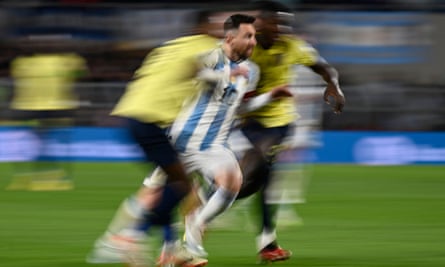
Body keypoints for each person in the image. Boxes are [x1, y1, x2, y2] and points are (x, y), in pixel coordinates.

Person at [86, 10, 222, 267]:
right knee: (180, 186)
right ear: (204, 26)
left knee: (173, 187)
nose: (223, 32)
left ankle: (169, 251)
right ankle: (126, 237)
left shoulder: (169, 46)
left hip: (134, 116)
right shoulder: (208, 47)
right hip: (154, 120)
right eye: (218, 25)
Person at [232, 0, 346, 263]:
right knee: (258, 181)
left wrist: (334, 86)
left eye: (284, 23)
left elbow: (323, 67)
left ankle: (263, 241)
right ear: (259, 24)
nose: (280, 28)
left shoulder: (293, 46)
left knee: (259, 174)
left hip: (279, 122)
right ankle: (217, 208)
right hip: (245, 120)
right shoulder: (244, 48)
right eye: (274, 22)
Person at [6, 36, 87, 191]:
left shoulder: (66, 60)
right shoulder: (22, 63)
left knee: (49, 144)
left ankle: (54, 177)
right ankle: (29, 178)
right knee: (27, 144)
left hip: (51, 107)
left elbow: (80, 74)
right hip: (29, 107)